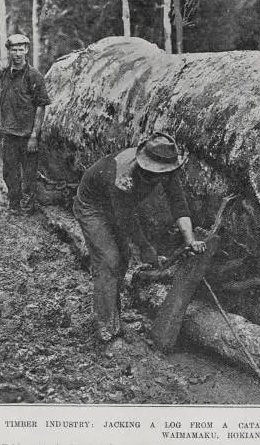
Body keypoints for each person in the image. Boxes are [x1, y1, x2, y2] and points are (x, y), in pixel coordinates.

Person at [73, 132, 206, 342]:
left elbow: (178, 204)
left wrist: (190, 240)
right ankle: (106, 328)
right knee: (108, 260)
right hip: (93, 207)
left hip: (117, 208)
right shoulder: (121, 174)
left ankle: (112, 314)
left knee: (122, 259)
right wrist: (146, 248)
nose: (162, 178)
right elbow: (126, 220)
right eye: (157, 173)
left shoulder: (167, 167)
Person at [0, 34, 50, 215]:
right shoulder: (3, 75)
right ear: (9, 51)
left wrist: (34, 136)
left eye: (21, 49)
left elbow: (40, 107)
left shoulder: (34, 76)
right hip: (9, 133)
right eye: (14, 49)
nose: (18, 53)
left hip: (28, 135)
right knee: (9, 172)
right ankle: (14, 204)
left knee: (29, 174)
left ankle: (27, 207)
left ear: (27, 50)